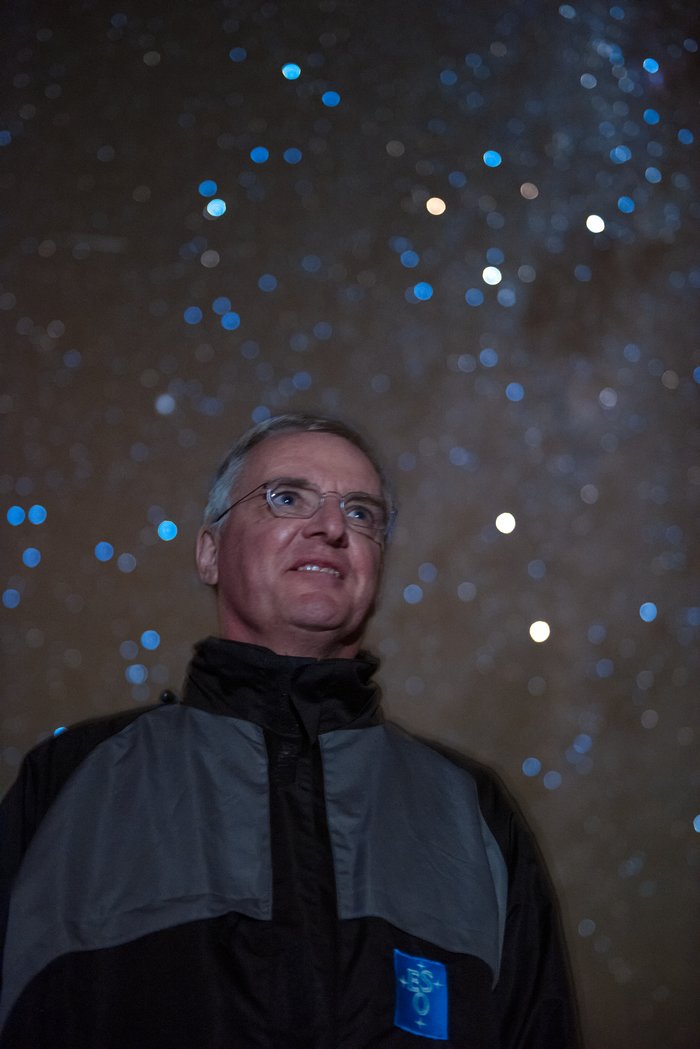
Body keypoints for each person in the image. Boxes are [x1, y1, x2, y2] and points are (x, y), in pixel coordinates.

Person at [0, 412, 580, 1048]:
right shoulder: (69, 783)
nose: (331, 526)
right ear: (210, 551)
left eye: (362, 514)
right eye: (286, 498)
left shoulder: (471, 813)